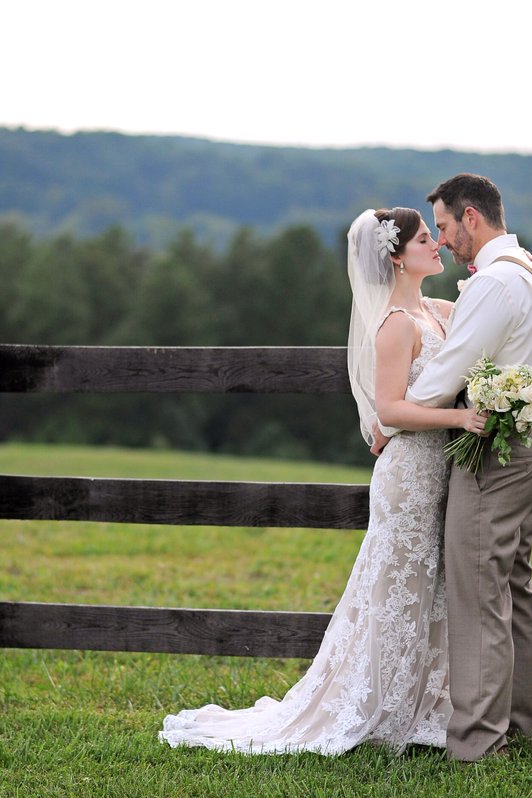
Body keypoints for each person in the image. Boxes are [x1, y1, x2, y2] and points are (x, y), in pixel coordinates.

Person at [158, 208, 488, 755]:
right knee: (393, 592)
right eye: (426, 239)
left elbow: (488, 311)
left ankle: (425, 704)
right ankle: (372, 707)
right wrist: (458, 419)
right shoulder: (394, 325)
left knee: (430, 593)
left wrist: (525, 275)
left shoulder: (435, 310)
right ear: (396, 256)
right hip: (408, 477)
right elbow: (388, 410)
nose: (438, 245)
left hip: (439, 475)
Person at [400, 173, 532, 762]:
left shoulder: (494, 283)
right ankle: (517, 727)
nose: (440, 240)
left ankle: (476, 742)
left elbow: (444, 379)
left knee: (477, 591)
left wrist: (392, 417)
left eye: (442, 226)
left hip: (494, 453)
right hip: (531, 444)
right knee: (513, 588)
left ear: (471, 218)